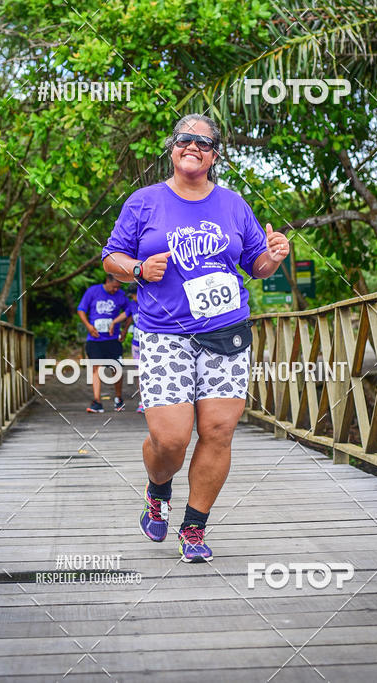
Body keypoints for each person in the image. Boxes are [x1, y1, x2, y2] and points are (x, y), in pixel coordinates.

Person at [102, 114, 290, 561]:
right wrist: (138, 270)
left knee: (219, 431)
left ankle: (194, 528)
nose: (194, 147)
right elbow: (111, 257)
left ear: (214, 155)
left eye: (204, 143)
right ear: (172, 148)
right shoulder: (144, 201)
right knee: (171, 440)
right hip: (164, 333)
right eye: (185, 139)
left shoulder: (232, 204)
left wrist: (275, 257)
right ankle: (157, 488)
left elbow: (255, 265)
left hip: (225, 331)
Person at [77, 273, 130, 413]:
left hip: (113, 339)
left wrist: (124, 331)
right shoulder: (93, 291)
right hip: (95, 339)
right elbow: (81, 309)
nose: (115, 290)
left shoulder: (121, 295)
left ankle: (118, 399)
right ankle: (97, 401)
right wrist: (88, 326)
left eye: (118, 287)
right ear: (107, 281)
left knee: (116, 369)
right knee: (96, 368)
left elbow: (130, 311)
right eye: (113, 287)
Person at [110, 283, 144, 412]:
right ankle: (142, 401)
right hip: (136, 343)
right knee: (139, 372)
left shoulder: (149, 301)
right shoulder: (132, 304)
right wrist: (114, 322)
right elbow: (125, 315)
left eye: (134, 295)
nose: (133, 298)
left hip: (150, 343)